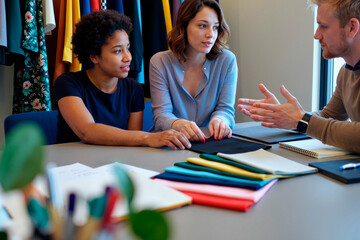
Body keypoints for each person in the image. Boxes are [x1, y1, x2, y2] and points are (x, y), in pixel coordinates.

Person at [54, 10, 191, 150]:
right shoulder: (67, 83)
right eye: (118, 51)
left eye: (128, 48)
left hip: (115, 163)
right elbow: (87, 131)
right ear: (94, 56)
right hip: (73, 164)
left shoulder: (134, 88)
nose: (128, 57)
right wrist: (149, 137)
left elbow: (132, 141)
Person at [238, 0, 360, 153]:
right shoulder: (346, 72)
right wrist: (286, 115)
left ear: (352, 27)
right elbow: (328, 117)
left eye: (324, 26)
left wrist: (301, 120)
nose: (316, 35)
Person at [149, 0, 238, 142]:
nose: (211, 34)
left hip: (209, 142)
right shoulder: (160, 62)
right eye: (203, 26)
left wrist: (221, 120)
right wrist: (178, 124)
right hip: (169, 144)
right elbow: (161, 115)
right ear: (184, 27)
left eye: (215, 28)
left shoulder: (227, 61)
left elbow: (225, 110)